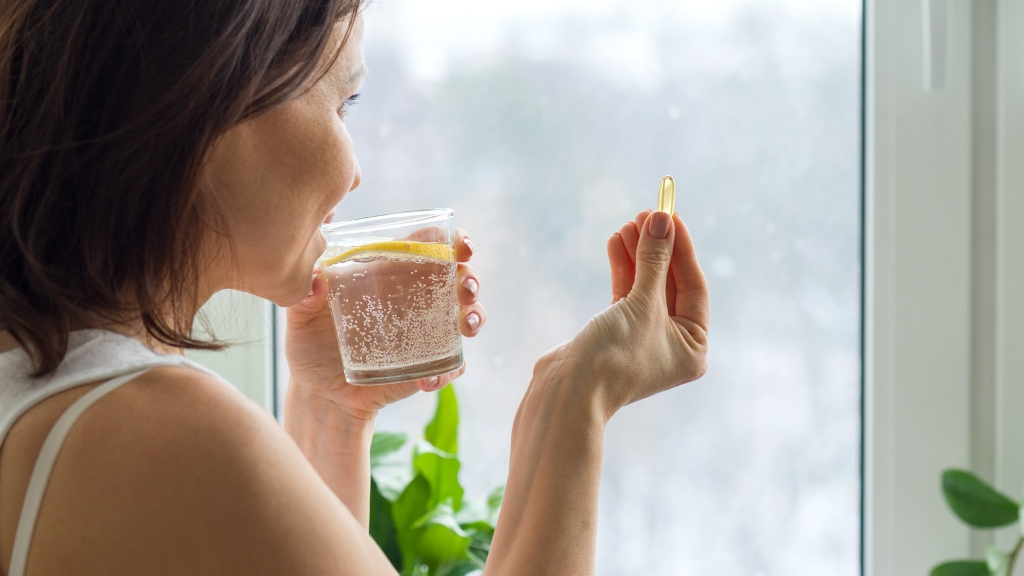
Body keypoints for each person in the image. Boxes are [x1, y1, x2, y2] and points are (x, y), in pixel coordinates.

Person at [0, 0, 709, 574]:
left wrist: (332, 413)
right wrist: (574, 397)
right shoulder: (161, 425)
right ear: (214, 97)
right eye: (346, 101)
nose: (355, 172)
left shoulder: (51, 386)